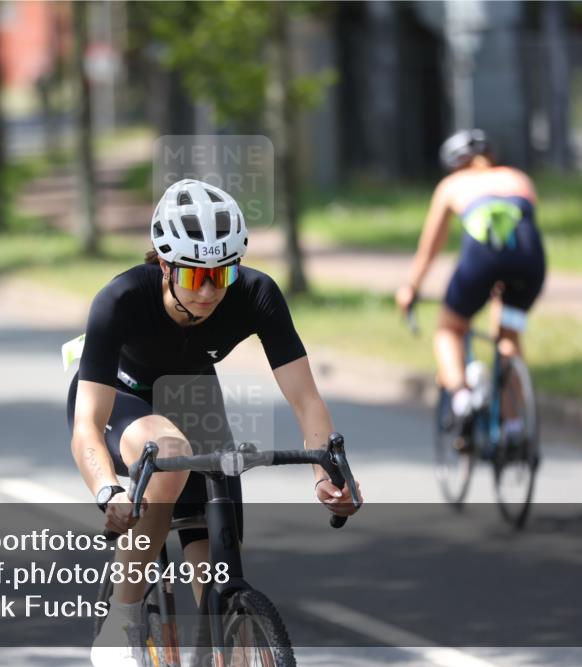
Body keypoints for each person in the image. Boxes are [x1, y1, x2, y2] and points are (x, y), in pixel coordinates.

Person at [67, 179, 362, 667]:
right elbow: (86, 427)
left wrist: (325, 474)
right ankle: (122, 620)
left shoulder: (257, 293)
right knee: (170, 453)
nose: (208, 290)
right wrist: (107, 490)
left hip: (193, 398)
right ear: (165, 264)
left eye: (222, 274)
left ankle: (224, 648)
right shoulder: (121, 298)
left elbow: (306, 398)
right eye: (194, 275)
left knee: (217, 560)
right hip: (121, 397)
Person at [395, 129, 547, 423]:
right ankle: (513, 425)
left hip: (483, 259)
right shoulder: (519, 178)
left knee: (449, 329)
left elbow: (430, 248)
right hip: (530, 262)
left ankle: (462, 398)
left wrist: (410, 287)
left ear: (453, 165)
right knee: (508, 335)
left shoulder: (452, 184)